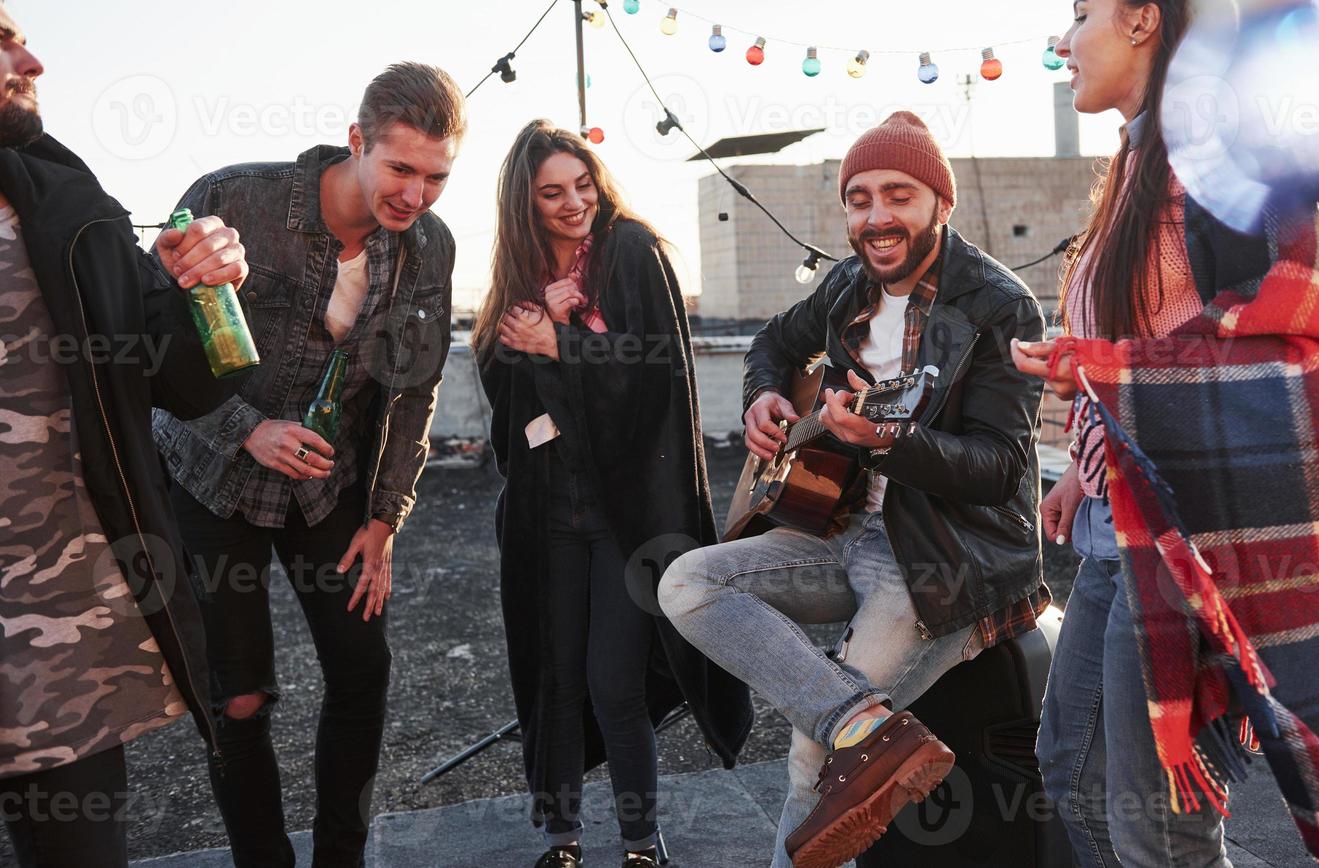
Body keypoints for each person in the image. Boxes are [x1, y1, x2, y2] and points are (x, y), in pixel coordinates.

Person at [1013, 0, 1319, 868]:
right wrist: (1084, 471)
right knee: (1070, 769)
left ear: (1143, 21)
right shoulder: (1136, 166)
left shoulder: (1214, 160)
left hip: (1178, 545)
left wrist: (1103, 370)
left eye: (1080, 15)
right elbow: (1154, 339)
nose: (1060, 39)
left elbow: (1301, 350)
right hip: (1116, 526)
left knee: (1157, 824)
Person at [658, 110, 1049, 868]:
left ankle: (845, 734)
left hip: (944, 558)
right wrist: (765, 393)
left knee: (814, 749)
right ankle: (866, 729)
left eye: (898, 194)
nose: (876, 216)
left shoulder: (996, 305)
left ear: (940, 201)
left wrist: (891, 441)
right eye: (859, 198)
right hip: (837, 529)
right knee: (685, 583)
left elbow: (999, 468)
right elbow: (774, 341)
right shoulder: (845, 286)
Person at [151, 63, 463, 867]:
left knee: (363, 676)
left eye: (435, 177)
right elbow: (148, 341)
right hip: (211, 481)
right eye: (400, 169)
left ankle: (340, 859)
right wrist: (246, 428)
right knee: (241, 698)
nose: (415, 196)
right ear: (356, 141)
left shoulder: (430, 246)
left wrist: (386, 515)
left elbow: (417, 385)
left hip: (332, 492)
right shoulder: (233, 198)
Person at [0, 0, 252, 868]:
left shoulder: (68, 206)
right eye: (1, 40)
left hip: (59, 642)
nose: (31, 61)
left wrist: (201, 287)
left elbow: (180, 381)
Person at [474, 119, 753, 868]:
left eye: (581, 184)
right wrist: (525, 342)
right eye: (551, 193)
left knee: (614, 684)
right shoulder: (518, 278)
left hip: (627, 515)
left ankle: (639, 844)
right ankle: (561, 841)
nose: (573, 203)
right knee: (555, 679)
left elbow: (654, 374)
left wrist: (560, 342)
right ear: (523, 205)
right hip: (546, 514)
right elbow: (503, 405)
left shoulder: (631, 250)